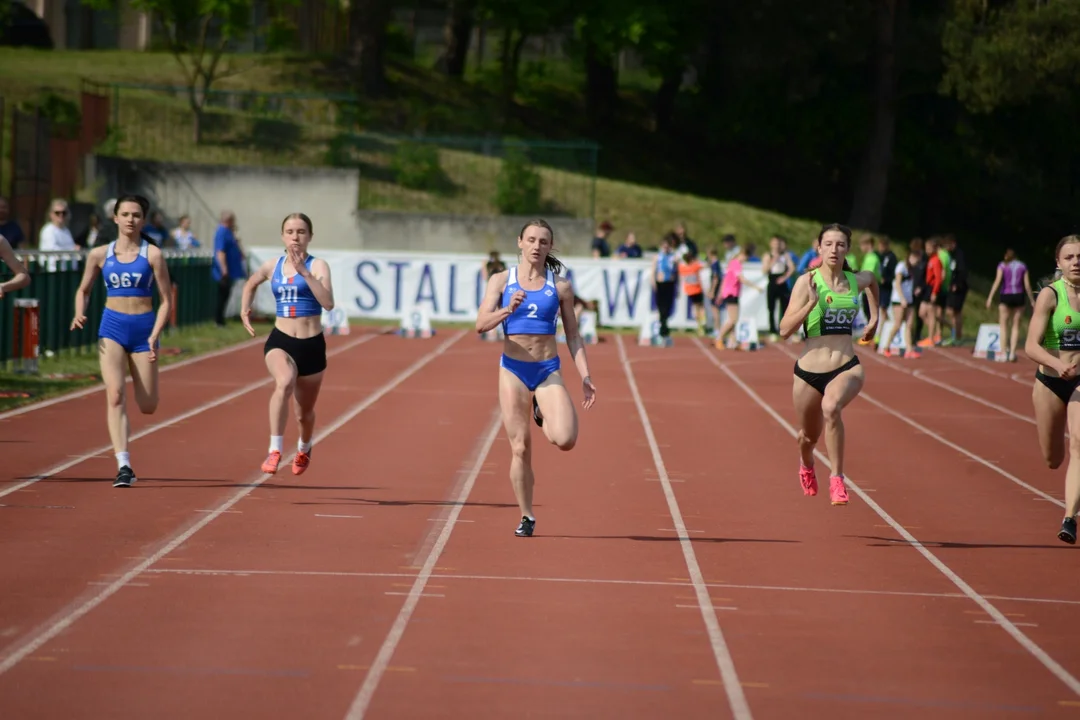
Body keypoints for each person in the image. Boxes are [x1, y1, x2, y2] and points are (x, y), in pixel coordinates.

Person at [475, 219, 597, 537]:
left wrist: (585, 375)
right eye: (530, 240)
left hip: (546, 369)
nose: (536, 246)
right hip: (513, 370)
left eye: (543, 241)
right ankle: (527, 515)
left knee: (566, 440)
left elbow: (573, 335)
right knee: (520, 448)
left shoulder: (560, 287)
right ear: (519, 242)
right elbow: (480, 324)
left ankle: (541, 410)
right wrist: (506, 310)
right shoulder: (501, 280)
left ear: (549, 247)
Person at [69, 194, 173, 488]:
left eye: (136, 214)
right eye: (125, 214)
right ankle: (124, 465)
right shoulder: (100, 254)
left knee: (148, 405)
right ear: (115, 218)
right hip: (112, 326)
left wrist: (155, 333)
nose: (130, 219)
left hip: (144, 331)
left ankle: (126, 458)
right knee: (114, 394)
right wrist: (80, 313)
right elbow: (84, 290)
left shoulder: (152, 255)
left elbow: (166, 300)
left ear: (144, 219)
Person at [778, 223, 879, 506]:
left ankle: (837, 479)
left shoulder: (853, 280)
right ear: (819, 247)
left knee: (831, 407)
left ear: (847, 249)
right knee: (807, 438)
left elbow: (872, 280)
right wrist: (811, 304)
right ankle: (806, 463)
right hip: (809, 373)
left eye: (841, 244)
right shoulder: (806, 282)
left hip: (846, 366)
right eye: (829, 244)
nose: (835, 249)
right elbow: (784, 330)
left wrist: (874, 318)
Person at [239, 213, 335, 477]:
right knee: (284, 381)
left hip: (312, 346)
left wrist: (305, 272)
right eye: (290, 232)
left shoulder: (318, 267)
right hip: (281, 340)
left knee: (304, 413)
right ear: (283, 236)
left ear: (310, 237)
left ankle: (304, 446)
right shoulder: (273, 265)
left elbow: (328, 303)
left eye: (301, 232)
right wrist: (244, 309)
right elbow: (251, 282)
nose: (296, 237)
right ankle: (275, 449)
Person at [1023, 235, 1080, 544]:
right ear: (1059, 263)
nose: (1076, 262)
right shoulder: (1050, 295)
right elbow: (1030, 345)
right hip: (1050, 379)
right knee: (1053, 458)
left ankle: (1070, 517)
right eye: (1069, 257)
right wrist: (1057, 365)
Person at [986, 248, 1035, 362]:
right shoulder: (1022, 266)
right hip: (1019, 295)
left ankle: (1003, 353)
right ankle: (1012, 353)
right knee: (1016, 325)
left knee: (1003, 325)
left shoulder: (1002, 266)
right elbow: (1027, 284)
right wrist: (1032, 300)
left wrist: (990, 297)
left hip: (1006, 295)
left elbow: (997, 281)